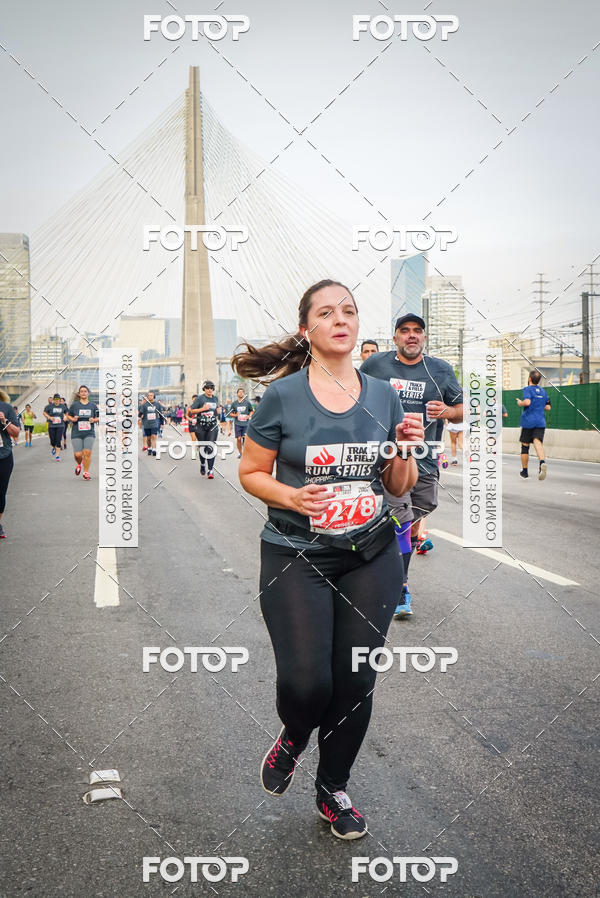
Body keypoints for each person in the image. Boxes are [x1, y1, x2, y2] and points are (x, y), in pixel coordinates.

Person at [233, 279, 423, 840]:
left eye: (349, 311)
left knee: (356, 678)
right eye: (327, 312)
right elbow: (250, 472)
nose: (341, 319)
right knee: (307, 683)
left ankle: (333, 788)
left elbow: (398, 485)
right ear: (306, 328)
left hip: (371, 552)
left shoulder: (384, 395)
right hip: (297, 552)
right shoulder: (283, 397)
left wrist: (405, 449)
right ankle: (295, 732)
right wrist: (292, 497)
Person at [361, 314, 463, 618]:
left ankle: (379, 556)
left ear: (424, 337)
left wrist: (447, 410)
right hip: (386, 459)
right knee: (401, 521)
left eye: (417, 331)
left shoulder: (440, 370)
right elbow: (353, 395)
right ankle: (400, 588)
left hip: (426, 460)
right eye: (404, 331)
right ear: (395, 338)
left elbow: (461, 410)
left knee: (416, 514)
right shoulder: (375, 365)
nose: (411, 336)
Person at [517, 371, 551, 480]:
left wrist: (520, 403)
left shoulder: (527, 389)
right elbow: (548, 407)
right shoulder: (543, 391)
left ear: (530, 379)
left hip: (528, 421)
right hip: (540, 421)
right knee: (537, 442)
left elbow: (527, 402)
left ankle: (525, 471)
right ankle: (542, 462)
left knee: (525, 445)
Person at [66, 385, 100, 480]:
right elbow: (68, 415)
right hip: (77, 432)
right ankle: (79, 463)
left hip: (89, 432)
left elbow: (99, 417)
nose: (84, 393)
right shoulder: (74, 405)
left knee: (87, 453)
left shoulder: (93, 405)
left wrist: (94, 420)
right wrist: (73, 418)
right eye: (82, 391)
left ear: (88, 393)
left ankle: (86, 472)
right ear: (79, 394)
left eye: (85, 391)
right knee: (78, 455)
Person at [0, 390, 20, 538]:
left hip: (4, 456)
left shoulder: (6, 408)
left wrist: (4, 421)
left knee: (0, 493)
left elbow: (16, 432)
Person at [138, 391, 165, 457]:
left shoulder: (157, 405)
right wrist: (140, 416)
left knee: (154, 436)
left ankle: (154, 449)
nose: (150, 396)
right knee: (148, 438)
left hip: (154, 423)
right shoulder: (144, 405)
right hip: (146, 423)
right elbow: (140, 414)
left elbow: (161, 414)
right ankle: (149, 448)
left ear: (154, 397)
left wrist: (162, 423)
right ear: (147, 397)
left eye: (151, 395)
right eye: (149, 395)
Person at [228, 388, 254, 458]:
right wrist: (235, 415)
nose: (241, 393)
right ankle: (240, 453)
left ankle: (246, 453)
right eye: (239, 392)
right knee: (239, 439)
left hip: (246, 424)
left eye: (242, 392)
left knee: (245, 439)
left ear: (244, 394)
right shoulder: (234, 404)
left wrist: (249, 416)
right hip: (238, 424)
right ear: (237, 394)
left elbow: (251, 411)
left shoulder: (247, 403)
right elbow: (229, 414)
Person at [43, 394, 66, 461]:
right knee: (52, 441)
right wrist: (49, 417)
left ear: (59, 400)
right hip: (52, 425)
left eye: (58, 400)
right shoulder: (49, 406)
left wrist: (65, 417)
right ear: (53, 400)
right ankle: (54, 447)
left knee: (58, 440)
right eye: (55, 400)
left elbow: (66, 413)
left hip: (60, 425)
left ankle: (57, 456)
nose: (56, 401)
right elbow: (44, 413)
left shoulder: (63, 406)